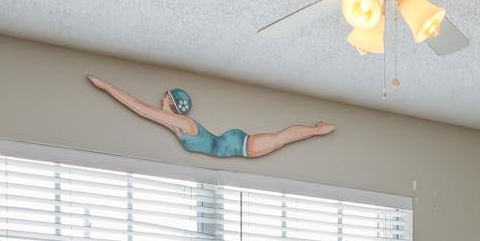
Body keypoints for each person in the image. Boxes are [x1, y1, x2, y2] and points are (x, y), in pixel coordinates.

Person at [87, 76, 334, 159]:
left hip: (237, 144)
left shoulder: (184, 124)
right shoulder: (174, 125)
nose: (160, 102)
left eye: (165, 99)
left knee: (279, 139)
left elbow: (142, 109)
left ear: (172, 104)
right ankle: (316, 130)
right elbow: (143, 111)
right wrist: (107, 88)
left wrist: (107, 87)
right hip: (229, 144)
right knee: (278, 140)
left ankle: (317, 130)